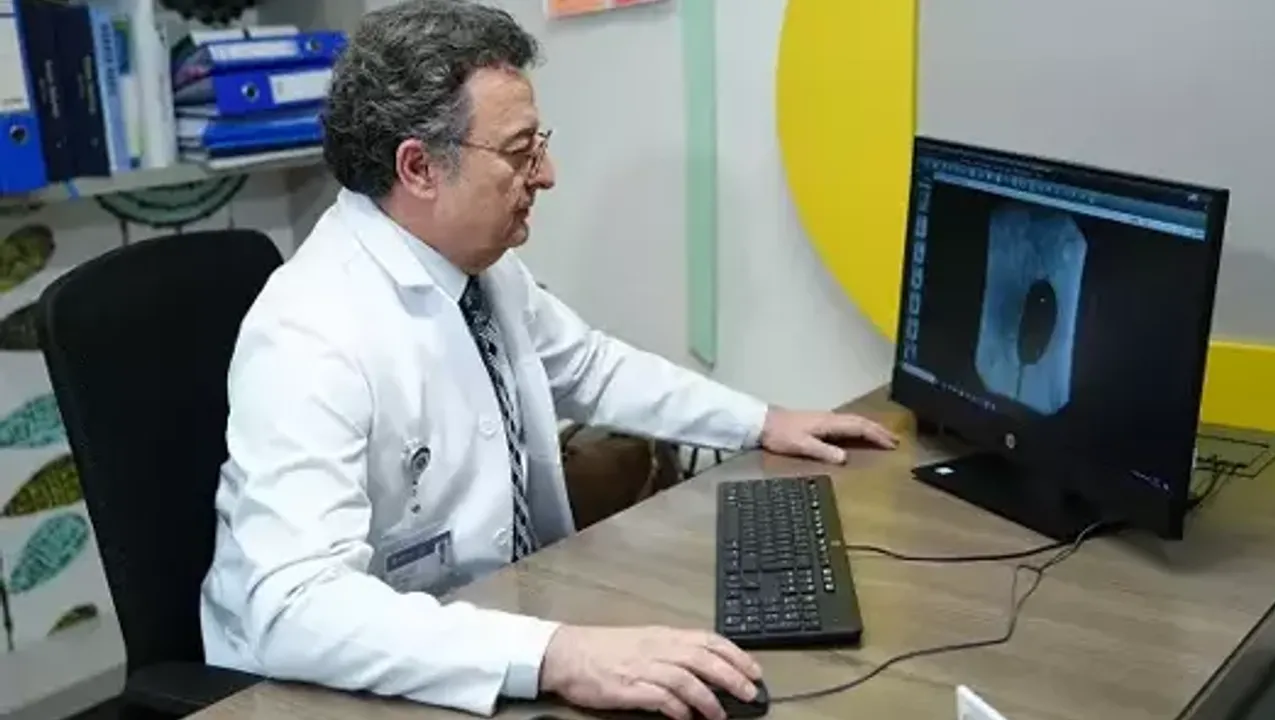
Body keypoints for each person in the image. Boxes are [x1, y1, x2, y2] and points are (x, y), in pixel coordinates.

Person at [199, 2, 898, 719]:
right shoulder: (310, 331)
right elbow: (296, 608)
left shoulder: (479, 268)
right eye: (519, 152)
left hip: (490, 623)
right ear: (419, 168)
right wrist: (558, 655)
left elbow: (591, 368)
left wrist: (761, 420)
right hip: (321, 687)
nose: (548, 174)